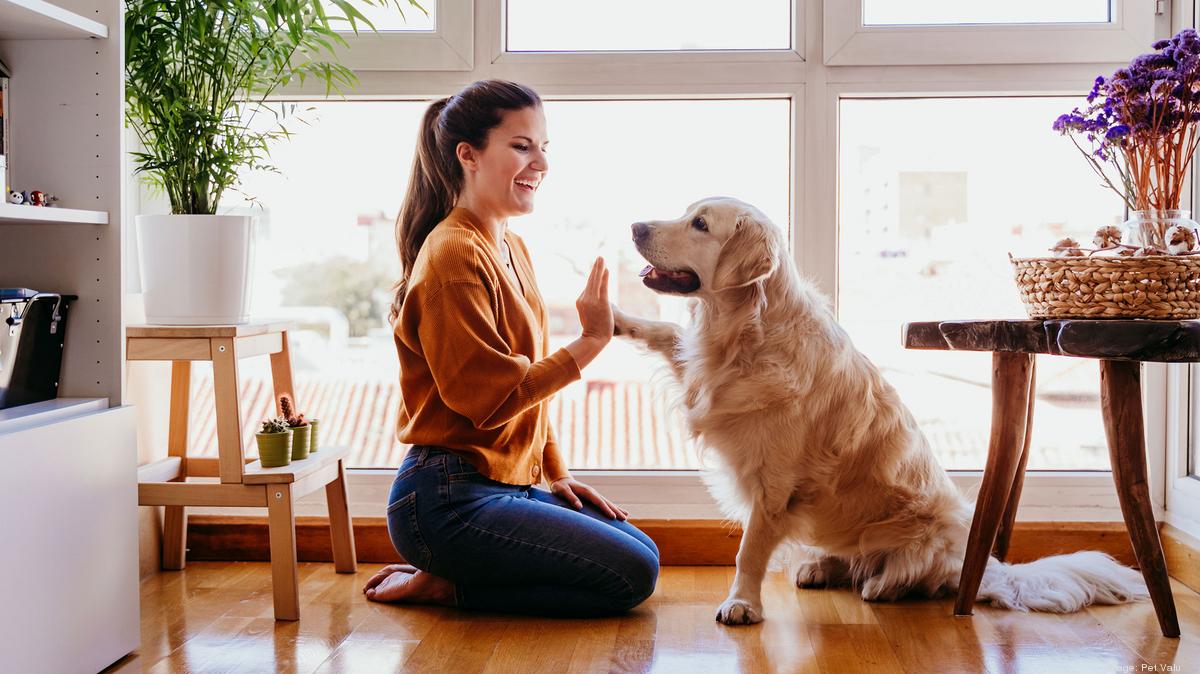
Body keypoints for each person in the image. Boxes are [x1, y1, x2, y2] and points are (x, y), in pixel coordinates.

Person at [363, 80, 660, 617]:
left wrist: (556, 472)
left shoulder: (509, 245)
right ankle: (445, 586)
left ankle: (454, 575)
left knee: (643, 551)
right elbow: (492, 399)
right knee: (632, 574)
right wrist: (592, 340)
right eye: (522, 146)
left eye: (543, 147)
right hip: (445, 499)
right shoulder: (453, 255)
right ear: (468, 155)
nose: (540, 163)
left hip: (505, 484)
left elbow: (528, 389)